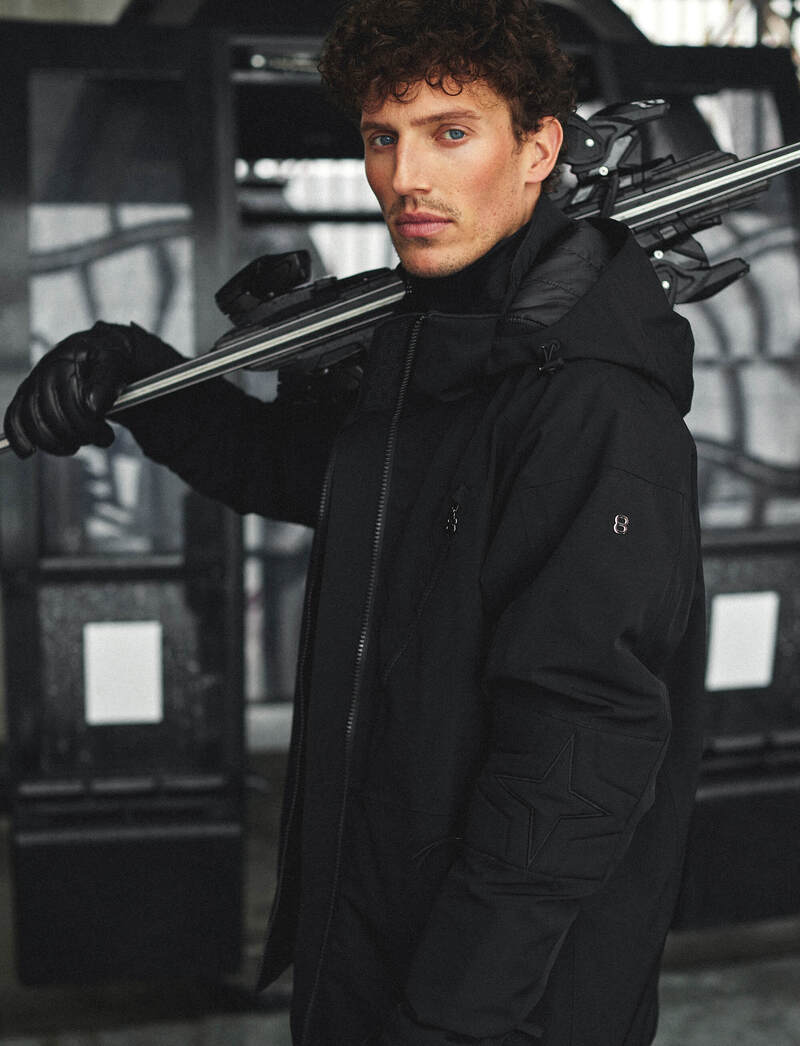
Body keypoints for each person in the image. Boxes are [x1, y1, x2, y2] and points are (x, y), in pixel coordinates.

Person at [4, 1, 706, 1043]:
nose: (405, 176)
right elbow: (308, 475)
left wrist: (449, 1020)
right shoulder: (432, 349)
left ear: (537, 151)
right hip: (366, 951)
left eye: (450, 132)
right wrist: (133, 370)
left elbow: (574, 766)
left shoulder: (591, 408)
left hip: (504, 1009)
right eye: (383, 137)